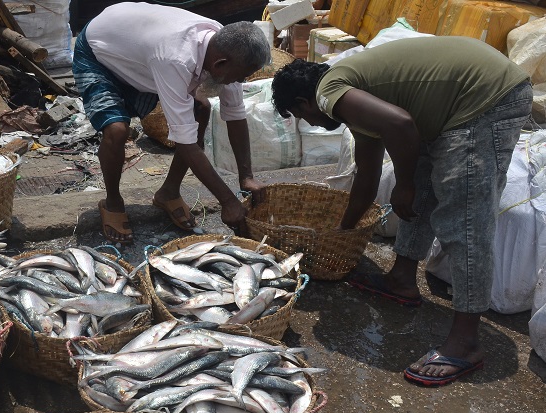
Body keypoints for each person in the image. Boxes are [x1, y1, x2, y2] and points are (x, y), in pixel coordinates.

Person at [271, 36, 533, 386]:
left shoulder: (330, 91)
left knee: (464, 217)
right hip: (460, 100)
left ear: (305, 101)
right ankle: (401, 279)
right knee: (421, 187)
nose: (312, 123)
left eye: (301, 115)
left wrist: (404, 184)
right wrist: (342, 231)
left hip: (485, 97)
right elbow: (367, 176)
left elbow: (400, 124)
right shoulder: (354, 98)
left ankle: (466, 341)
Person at [72, 2, 270, 244]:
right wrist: (228, 202)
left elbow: (236, 114)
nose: (241, 81)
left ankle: (169, 192)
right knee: (116, 129)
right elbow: (186, 143)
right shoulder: (175, 58)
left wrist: (246, 177)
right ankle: (112, 201)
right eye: (240, 76)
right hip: (99, 51)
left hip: (138, 53)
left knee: (201, 108)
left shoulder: (227, 46)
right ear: (220, 64)